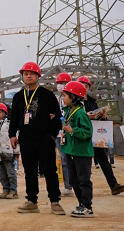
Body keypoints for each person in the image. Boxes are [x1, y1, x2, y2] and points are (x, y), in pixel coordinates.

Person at [9, 61, 65, 215]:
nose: (28, 76)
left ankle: (55, 201)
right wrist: (12, 135)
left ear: (38, 76)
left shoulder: (47, 95)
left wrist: (53, 135)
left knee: (49, 170)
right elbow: (14, 117)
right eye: (25, 74)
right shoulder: (19, 96)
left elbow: (57, 117)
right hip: (26, 138)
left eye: (31, 74)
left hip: (44, 137)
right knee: (30, 171)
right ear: (22, 76)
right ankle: (32, 201)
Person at [79, 76, 124, 195]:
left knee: (104, 160)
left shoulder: (92, 102)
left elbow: (98, 118)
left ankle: (114, 185)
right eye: (82, 84)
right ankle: (83, 189)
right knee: (84, 164)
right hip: (81, 136)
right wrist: (86, 116)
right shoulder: (74, 102)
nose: (84, 87)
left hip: (95, 136)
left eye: (86, 85)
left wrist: (103, 116)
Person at [59, 81, 94, 218]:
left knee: (83, 180)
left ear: (73, 97)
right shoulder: (68, 112)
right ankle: (81, 204)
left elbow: (87, 131)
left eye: (65, 95)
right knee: (74, 180)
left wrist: (73, 130)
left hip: (81, 153)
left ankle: (87, 207)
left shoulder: (80, 113)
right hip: (70, 150)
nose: (63, 98)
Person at [55, 72, 74, 196]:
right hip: (59, 134)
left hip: (70, 133)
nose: (60, 86)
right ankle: (68, 186)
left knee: (71, 159)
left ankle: (73, 184)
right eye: (59, 83)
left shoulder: (73, 100)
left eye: (63, 83)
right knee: (63, 160)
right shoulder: (57, 99)